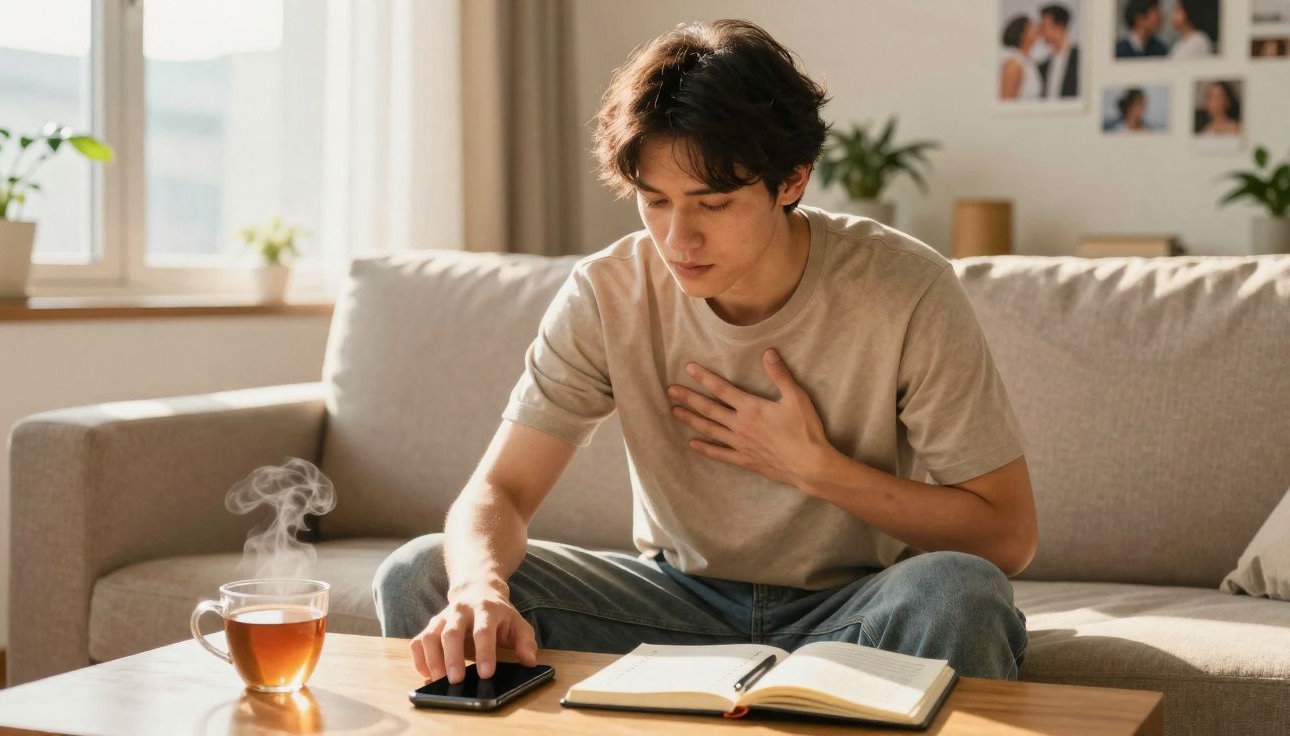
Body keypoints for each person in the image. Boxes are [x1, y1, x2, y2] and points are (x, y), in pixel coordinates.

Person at [373, 19, 1035, 688]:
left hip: (856, 606)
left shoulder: (905, 287)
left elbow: (1007, 537)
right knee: (426, 574)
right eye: (653, 201)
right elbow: (501, 490)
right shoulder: (610, 292)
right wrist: (479, 588)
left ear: (791, 180)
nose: (677, 236)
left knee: (959, 593)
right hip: (671, 604)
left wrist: (816, 469)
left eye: (711, 203)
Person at [1037, 3, 1080, 98]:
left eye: (1044, 26)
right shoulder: (1043, 66)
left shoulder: (1080, 58)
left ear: (1059, 27)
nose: (1040, 31)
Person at [1000, 14, 1043, 100]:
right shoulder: (1014, 65)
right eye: (1032, 27)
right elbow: (1007, 103)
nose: (1037, 30)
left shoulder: (1028, 62)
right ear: (1022, 34)